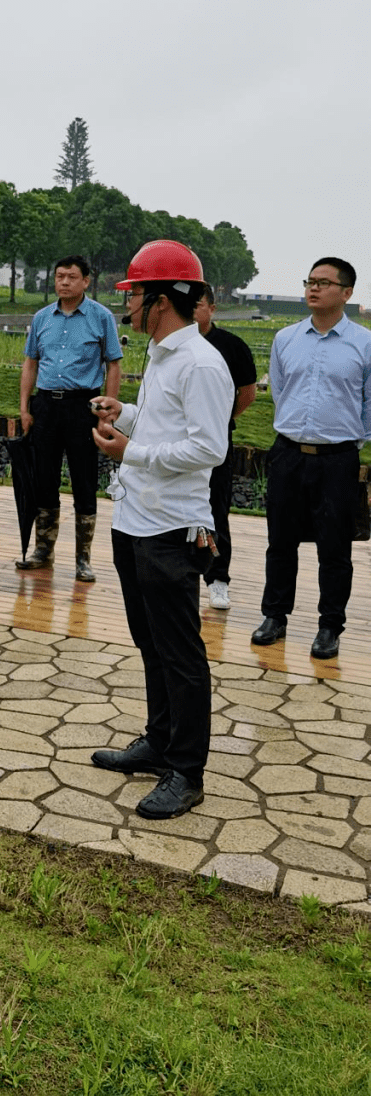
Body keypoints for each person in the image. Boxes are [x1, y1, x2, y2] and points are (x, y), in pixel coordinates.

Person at [90, 240, 232, 820]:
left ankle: (187, 771)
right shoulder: (165, 355)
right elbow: (165, 425)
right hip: (135, 521)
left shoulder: (200, 363)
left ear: (164, 299)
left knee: (180, 653)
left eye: (135, 296)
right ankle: (159, 741)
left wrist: (132, 450)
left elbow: (209, 447)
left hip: (172, 529)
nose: (128, 310)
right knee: (150, 642)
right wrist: (121, 414)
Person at [251, 257, 371, 662]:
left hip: (338, 459)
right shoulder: (287, 338)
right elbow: (281, 392)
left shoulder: (364, 344)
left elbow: (369, 405)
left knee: (335, 547)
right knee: (280, 541)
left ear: (347, 293)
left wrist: (347, 440)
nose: (313, 288)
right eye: (309, 281)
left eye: (323, 282)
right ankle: (274, 616)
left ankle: (329, 626)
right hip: (288, 454)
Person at [17, 255, 123, 580]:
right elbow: (30, 363)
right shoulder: (41, 318)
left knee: (84, 479)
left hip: (83, 407)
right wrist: (24, 407)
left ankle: (83, 559)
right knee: (44, 479)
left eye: (71, 277)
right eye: (60, 276)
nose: (64, 282)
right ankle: (43, 551)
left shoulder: (101, 317)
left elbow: (113, 364)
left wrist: (108, 410)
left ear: (86, 281)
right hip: (46, 406)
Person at [192, 284, 258, 611]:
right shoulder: (173, 344)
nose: (192, 310)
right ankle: (181, 572)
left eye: (198, 304)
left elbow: (247, 393)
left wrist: (216, 419)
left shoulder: (232, 346)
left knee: (216, 508)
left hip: (216, 441)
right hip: (178, 440)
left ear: (212, 308)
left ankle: (218, 579)